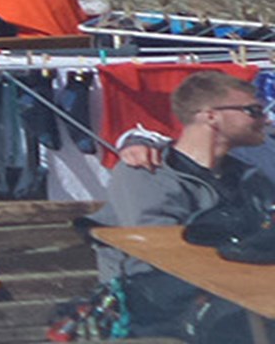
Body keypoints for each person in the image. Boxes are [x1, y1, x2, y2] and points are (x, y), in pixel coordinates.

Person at [88, 71, 273, 342]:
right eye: (253, 111)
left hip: (237, 301)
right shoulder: (147, 173)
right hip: (157, 312)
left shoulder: (249, 177)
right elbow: (160, 257)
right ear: (211, 116)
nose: (266, 119)